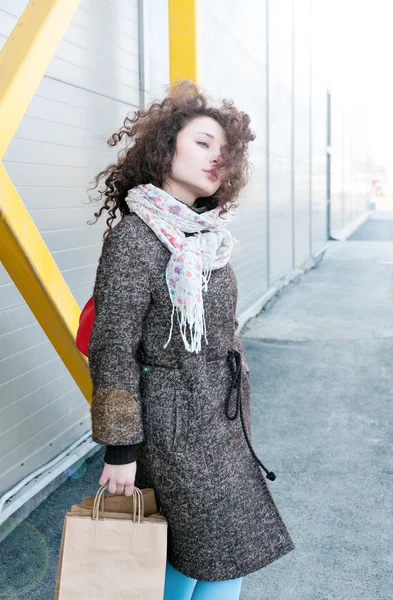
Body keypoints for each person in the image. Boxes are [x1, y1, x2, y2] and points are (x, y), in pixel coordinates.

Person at [87, 80, 295, 600]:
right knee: (199, 557)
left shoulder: (206, 236)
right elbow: (111, 348)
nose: (215, 158)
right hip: (173, 427)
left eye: (224, 152)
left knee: (211, 556)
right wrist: (120, 449)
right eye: (203, 142)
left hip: (221, 420)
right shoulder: (136, 236)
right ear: (165, 146)